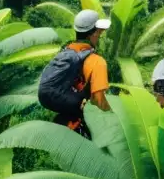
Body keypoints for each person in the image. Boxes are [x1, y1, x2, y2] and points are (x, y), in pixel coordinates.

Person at [37, 9, 111, 137]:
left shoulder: (66, 51)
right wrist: (112, 117)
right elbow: (99, 100)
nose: (100, 34)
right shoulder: (97, 61)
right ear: (92, 34)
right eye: (99, 31)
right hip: (78, 123)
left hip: (53, 106)